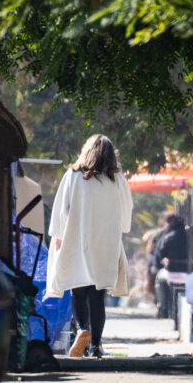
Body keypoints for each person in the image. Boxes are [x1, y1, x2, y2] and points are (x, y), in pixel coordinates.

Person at [46, 134, 133, 358]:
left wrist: (58, 234)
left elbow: (61, 210)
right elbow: (125, 214)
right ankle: (96, 345)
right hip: (105, 244)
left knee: (78, 291)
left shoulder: (73, 175)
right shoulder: (116, 178)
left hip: (77, 241)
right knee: (98, 296)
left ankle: (82, 330)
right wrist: (119, 228)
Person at [153, 215, 193, 318]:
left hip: (171, 272)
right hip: (189, 271)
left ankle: (163, 306)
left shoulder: (168, 237)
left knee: (159, 279)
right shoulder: (192, 237)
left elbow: (160, 254)